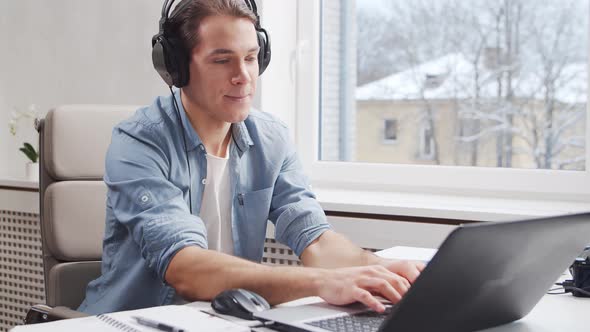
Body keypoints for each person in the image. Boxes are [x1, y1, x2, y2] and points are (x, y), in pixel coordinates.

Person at [79, 0, 424, 315]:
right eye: (222, 59)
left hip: (224, 321)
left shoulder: (271, 138)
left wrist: (375, 268)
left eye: (250, 57)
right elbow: (184, 267)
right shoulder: (139, 141)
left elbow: (315, 239)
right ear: (177, 68)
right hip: (131, 322)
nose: (244, 76)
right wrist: (321, 282)